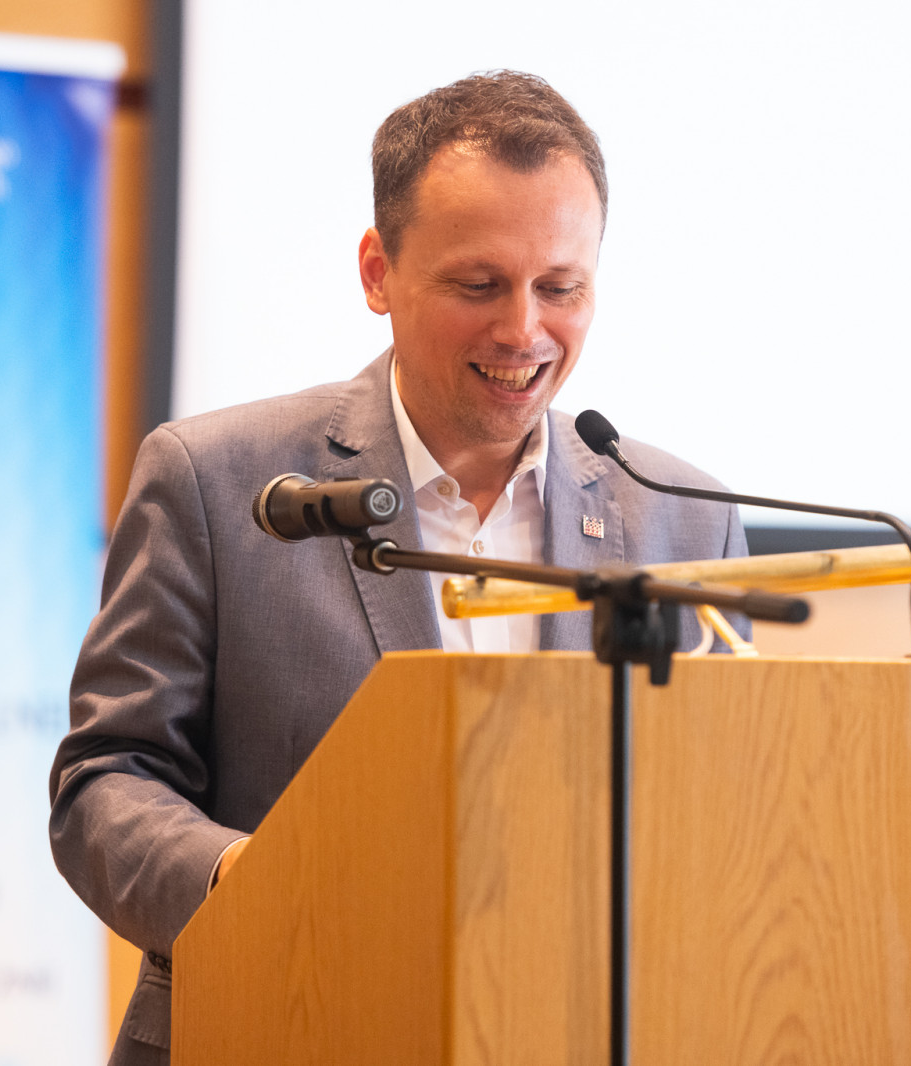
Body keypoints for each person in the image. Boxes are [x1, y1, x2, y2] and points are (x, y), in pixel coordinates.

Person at [49, 70, 747, 1066]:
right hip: (275, 1025)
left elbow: (724, 823)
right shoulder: (216, 479)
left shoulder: (685, 522)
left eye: (561, 288)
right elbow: (105, 779)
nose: (523, 330)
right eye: (479, 285)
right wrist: (250, 883)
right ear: (378, 272)